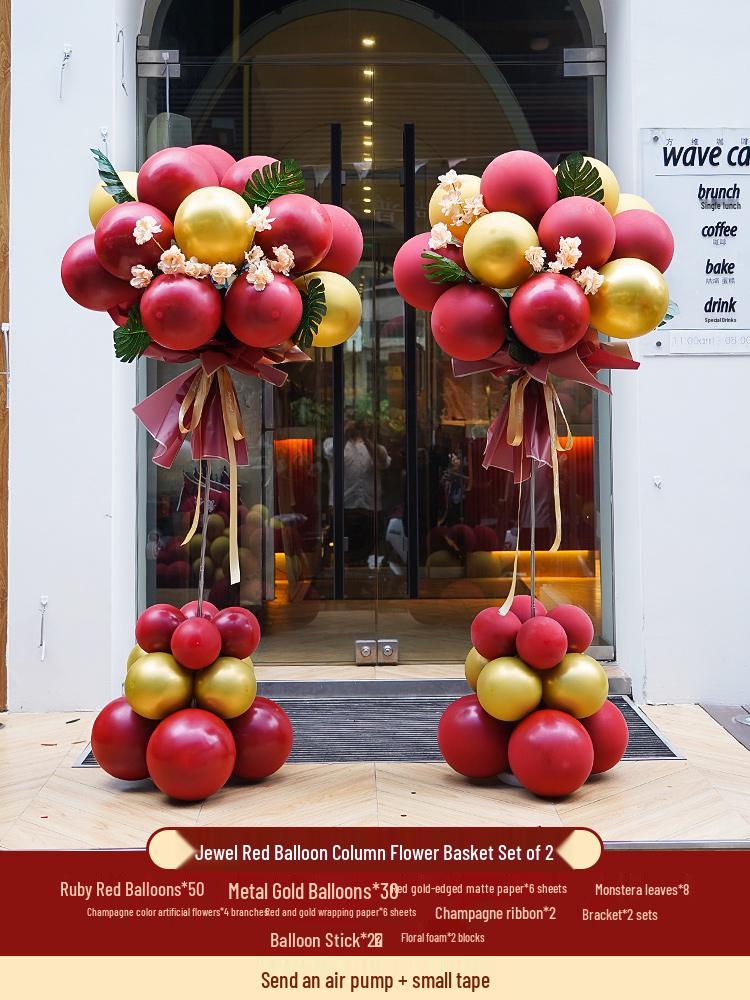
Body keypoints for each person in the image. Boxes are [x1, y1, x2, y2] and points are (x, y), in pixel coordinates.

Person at [324, 421, 391, 567]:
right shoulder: (331, 443)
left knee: (367, 551)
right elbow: (331, 453)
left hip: (369, 509)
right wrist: (344, 434)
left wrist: (366, 439)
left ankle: (362, 578)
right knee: (343, 552)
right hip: (344, 509)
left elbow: (383, 461)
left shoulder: (375, 448)